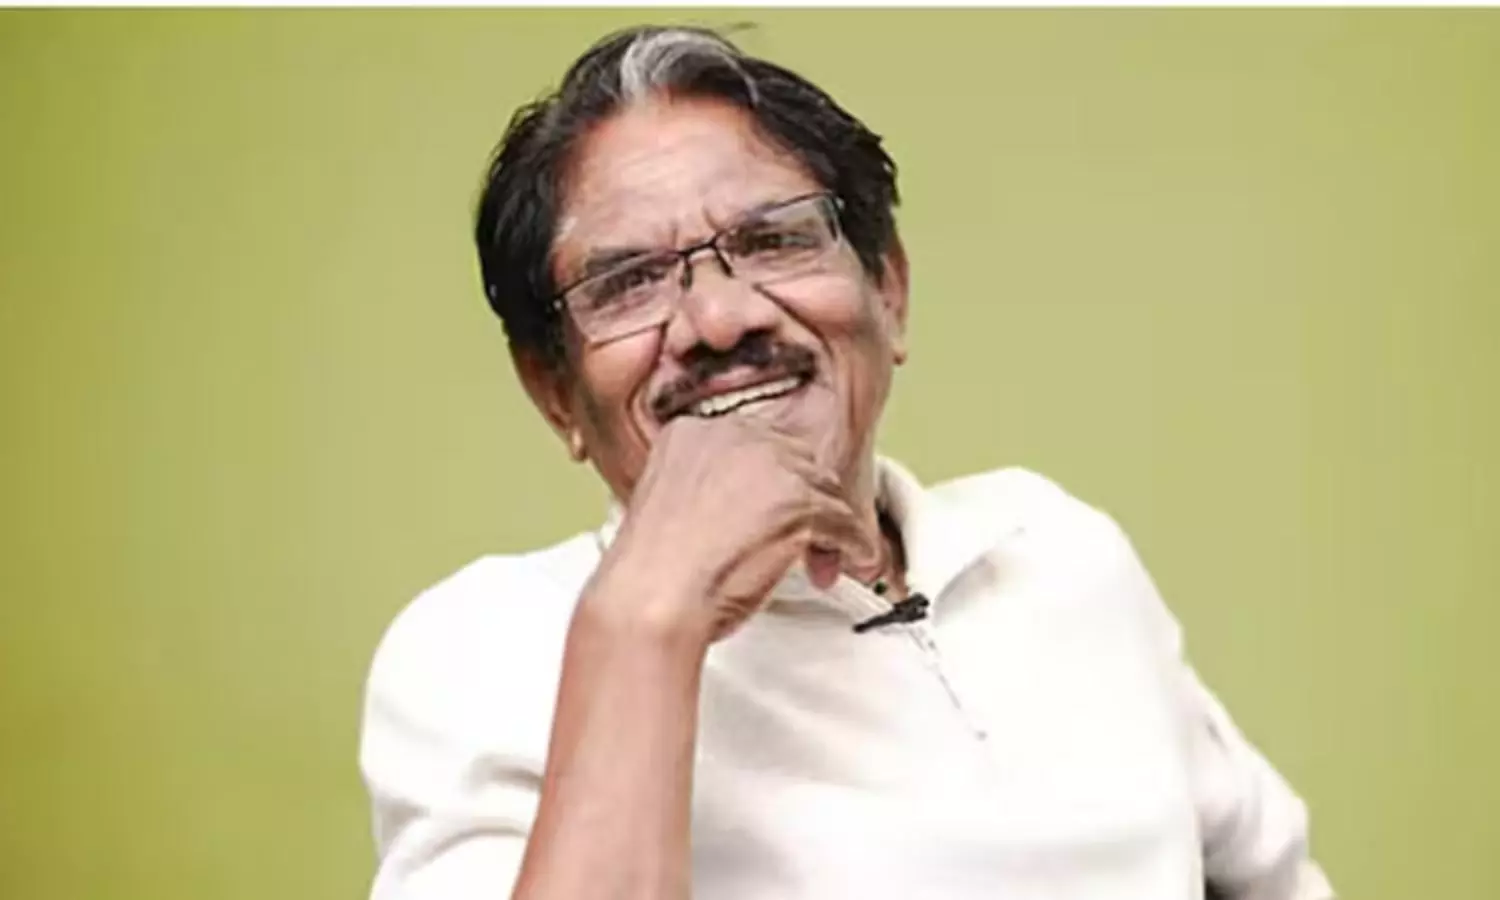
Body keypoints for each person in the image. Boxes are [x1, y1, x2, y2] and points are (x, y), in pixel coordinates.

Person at [358, 24, 1336, 900]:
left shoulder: (1057, 550)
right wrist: (649, 618)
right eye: (630, 282)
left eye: (772, 239)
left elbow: (1276, 876)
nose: (719, 319)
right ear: (554, 392)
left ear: (889, 292)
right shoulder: (481, 650)